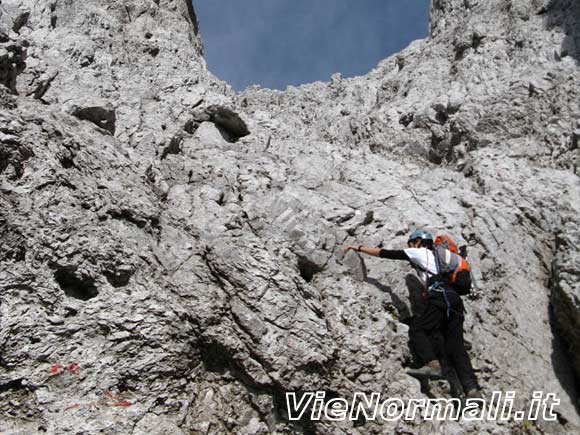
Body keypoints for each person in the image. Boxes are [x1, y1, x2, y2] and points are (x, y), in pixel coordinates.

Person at [343, 230, 482, 399]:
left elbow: (386, 253)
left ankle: (432, 364)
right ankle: (472, 389)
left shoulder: (420, 252)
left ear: (418, 242)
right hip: (455, 302)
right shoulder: (447, 260)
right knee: (456, 346)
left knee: (418, 329)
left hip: (439, 296)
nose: (409, 247)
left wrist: (358, 247)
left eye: (410, 244)